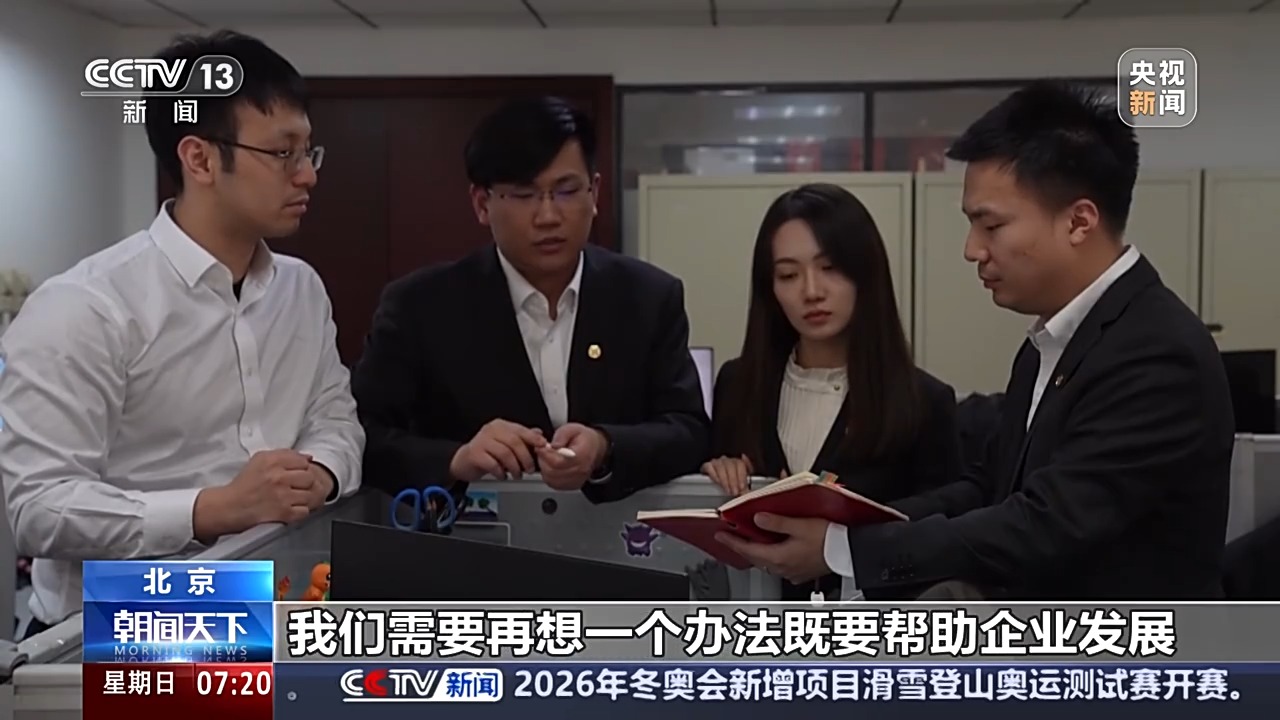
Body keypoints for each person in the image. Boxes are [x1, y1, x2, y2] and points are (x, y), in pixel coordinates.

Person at [715, 80, 1234, 599]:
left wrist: (845, 550)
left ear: (1079, 221)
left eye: (991, 226)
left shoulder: (1155, 351)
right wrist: (846, 529)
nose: (972, 249)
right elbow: (987, 489)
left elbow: (1045, 523)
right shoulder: (1048, 346)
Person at [0, 31, 364, 635]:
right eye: (283, 154)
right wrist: (214, 509)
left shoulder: (300, 289)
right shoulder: (85, 306)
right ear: (199, 159)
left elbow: (336, 419)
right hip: (114, 633)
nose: (307, 176)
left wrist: (320, 472)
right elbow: (39, 508)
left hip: (268, 610)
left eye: (309, 152)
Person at [353, 96, 709, 503]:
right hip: (470, 537)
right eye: (524, 195)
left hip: (618, 536)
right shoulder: (420, 306)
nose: (548, 216)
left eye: (566, 191)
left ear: (594, 192)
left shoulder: (648, 298)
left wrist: (605, 446)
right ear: (482, 203)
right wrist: (457, 458)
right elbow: (364, 436)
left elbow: (689, 432)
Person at [704, 183, 961, 599]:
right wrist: (719, 475)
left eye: (831, 268)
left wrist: (843, 547)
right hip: (756, 622)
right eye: (789, 275)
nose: (811, 291)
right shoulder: (738, 385)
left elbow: (943, 536)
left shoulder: (923, 400)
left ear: (865, 274)